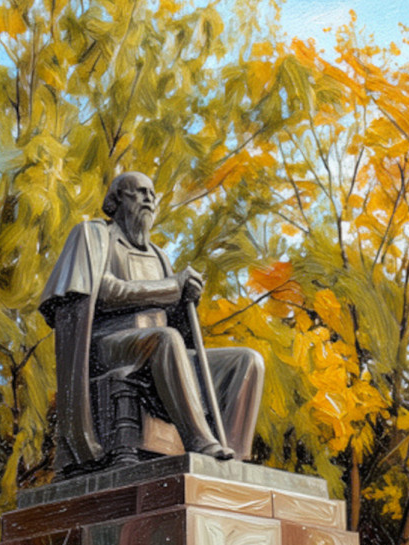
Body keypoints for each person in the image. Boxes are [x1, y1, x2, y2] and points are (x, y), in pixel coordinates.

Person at [39, 171, 264, 474]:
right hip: (108, 347)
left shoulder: (159, 255)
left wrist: (187, 298)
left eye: (152, 194)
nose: (149, 198)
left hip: (157, 347)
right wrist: (173, 287)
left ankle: (234, 461)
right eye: (139, 191)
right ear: (116, 201)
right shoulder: (94, 236)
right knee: (165, 339)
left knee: (246, 362)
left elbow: (175, 320)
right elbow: (105, 291)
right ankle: (200, 442)